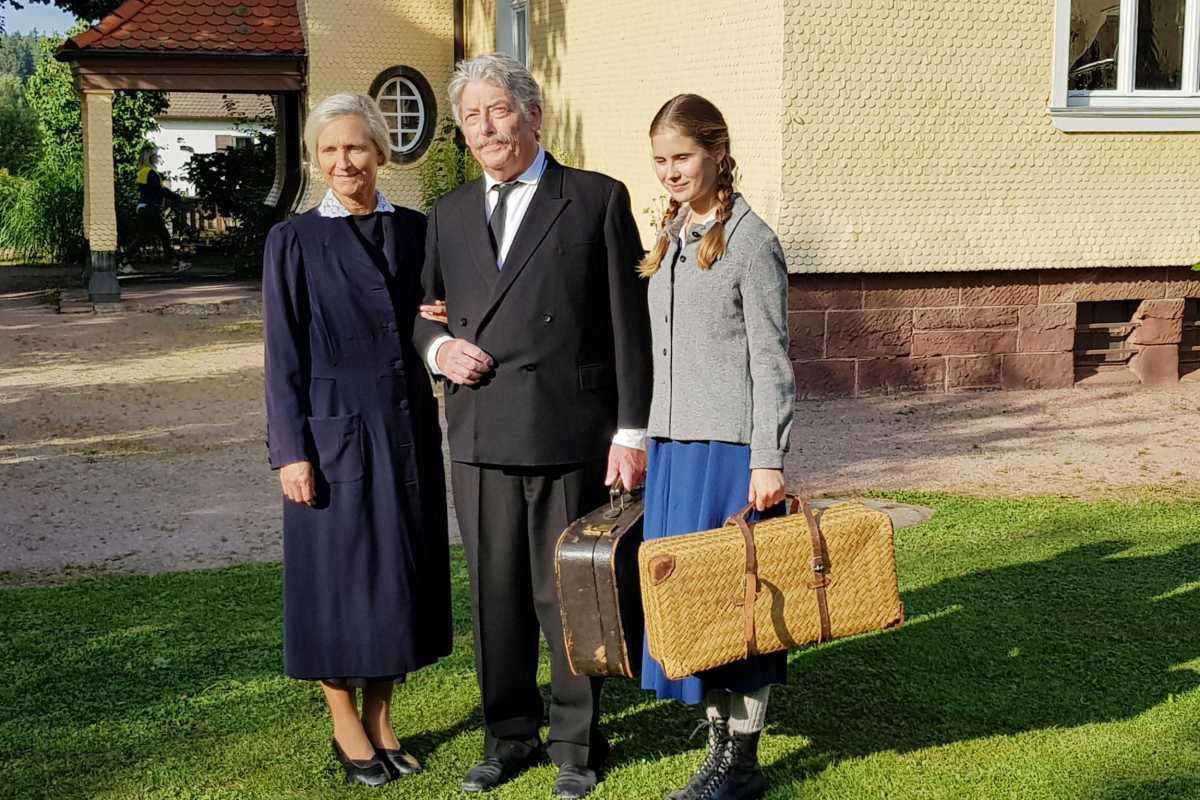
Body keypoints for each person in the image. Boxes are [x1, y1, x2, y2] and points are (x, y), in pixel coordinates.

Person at [413, 53, 652, 799]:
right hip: (480, 434)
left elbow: (629, 326)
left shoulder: (595, 198)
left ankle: (576, 742)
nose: (486, 128)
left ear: (533, 114)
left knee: (568, 591)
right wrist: (440, 350)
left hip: (567, 429)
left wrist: (632, 432)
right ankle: (507, 735)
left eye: (498, 110)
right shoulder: (448, 214)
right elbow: (423, 314)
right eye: (471, 117)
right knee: (497, 596)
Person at [262, 93, 452, 788]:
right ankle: (345, 723)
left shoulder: (417, 230)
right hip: (330, 433)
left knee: (397, 581)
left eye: (356, 147)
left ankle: (381, 717)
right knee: (337, 585)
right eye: (330, 150)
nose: (344, 162)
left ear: (380, 151)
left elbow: (433, 319)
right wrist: (290, 451)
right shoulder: (294, 240)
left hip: (404, 429)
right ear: (316, 160)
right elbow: (282, 354)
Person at [638, 94, 795, 800]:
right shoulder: (673, 233)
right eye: (661, 160)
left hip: (730, 453)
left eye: (683, 157)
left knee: (739, 603)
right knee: (693, 606)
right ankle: (717, 747)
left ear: (717, 153)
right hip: (676, 450)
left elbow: (772, 359)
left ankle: (743, 763)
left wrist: (768, 458)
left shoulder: (752, 242)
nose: (671, 172)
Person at [125, 146, 182, 266]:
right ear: (151, 158)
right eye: (156, 156)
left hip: (144, 207)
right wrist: (176, 197)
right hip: (150, 208)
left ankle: (125, 260)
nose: (157, 158)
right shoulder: (150, 173)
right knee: (164, 235)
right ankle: (173, 262)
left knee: (143, 236)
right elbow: (158, 190)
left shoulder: (143, 172)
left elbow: (155, 189)